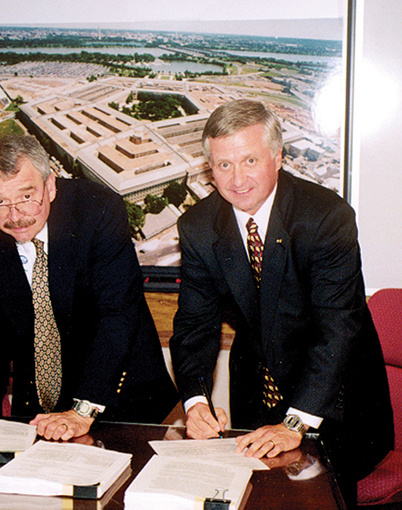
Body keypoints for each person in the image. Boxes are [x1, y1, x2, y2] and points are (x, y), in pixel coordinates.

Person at [169, 99, 393, 507]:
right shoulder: (199, 227)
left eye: (250, 160)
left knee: (311, 501)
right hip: (257, 394)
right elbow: (193, 325)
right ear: (209, 168)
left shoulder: (325, 217)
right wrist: (197, 401)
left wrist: (296, 422)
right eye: (223, 165)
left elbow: (338, 330)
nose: (237, 179)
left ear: (277, 156)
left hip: (335, 399)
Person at [0, 135, 178, 440]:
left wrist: (83, 409)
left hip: (122, 399)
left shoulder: (97, 211)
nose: (15, 216)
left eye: (26, 197)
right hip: (39, 412)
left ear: (50, 186)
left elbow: (117, 315)